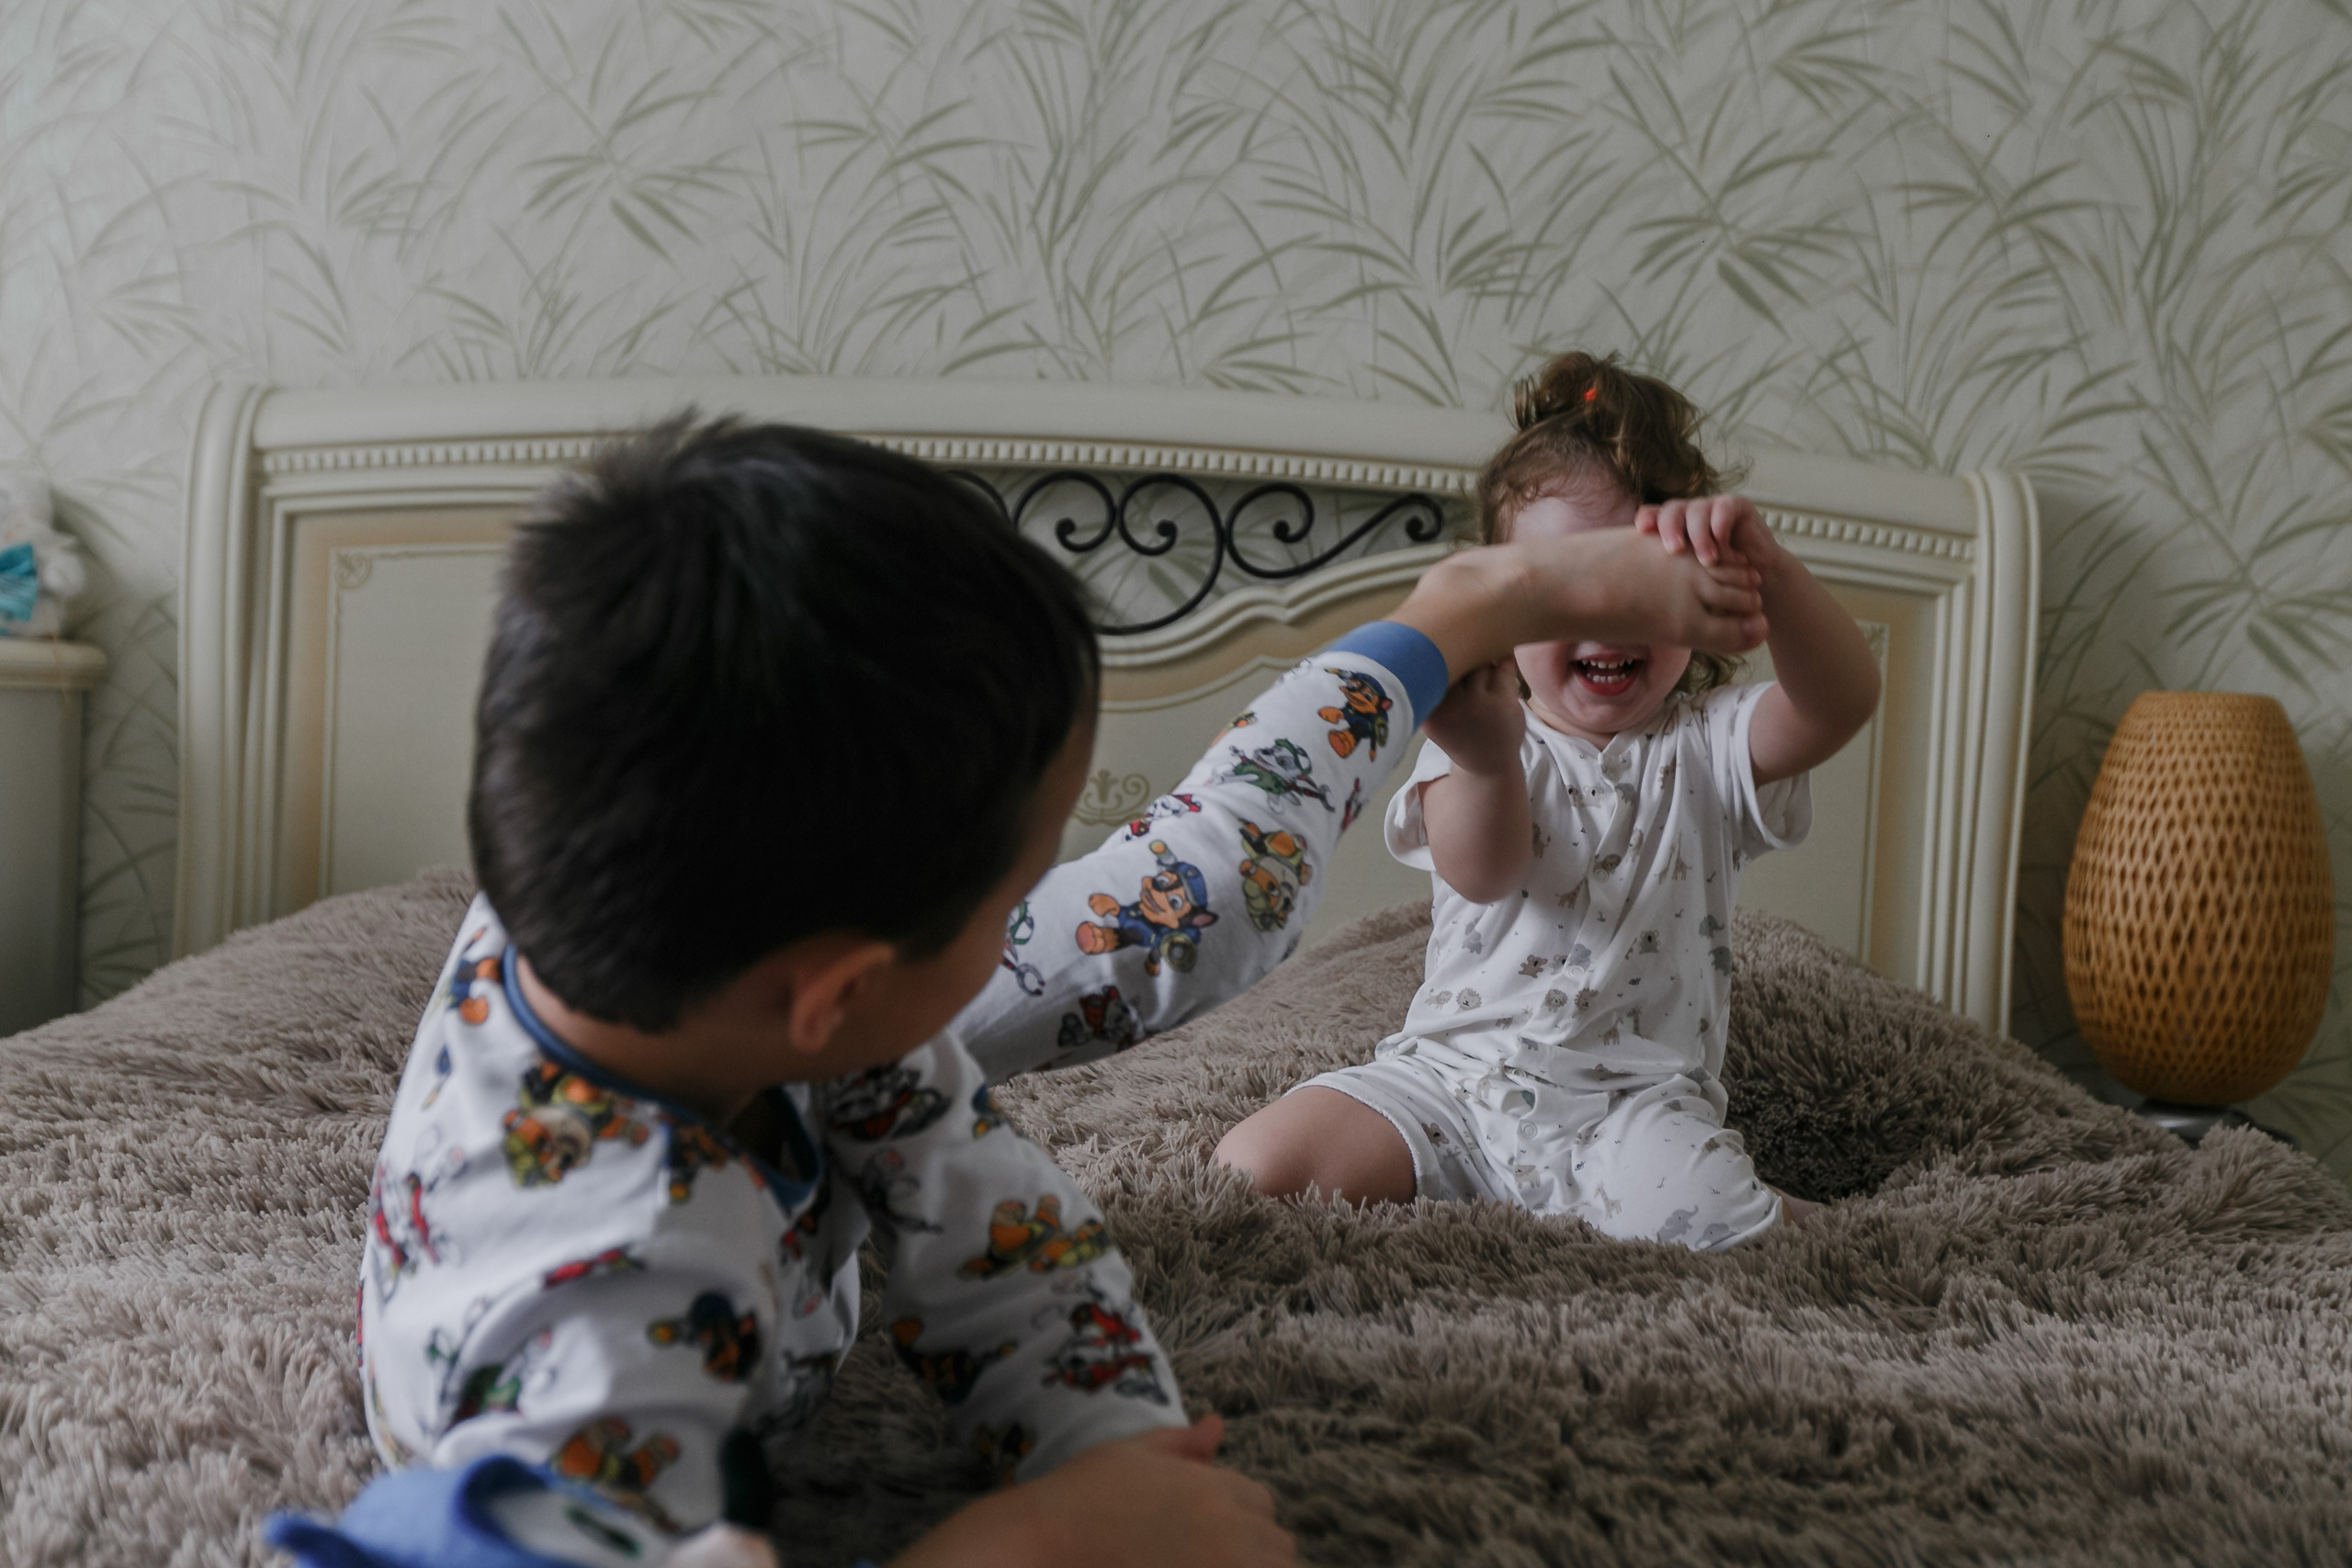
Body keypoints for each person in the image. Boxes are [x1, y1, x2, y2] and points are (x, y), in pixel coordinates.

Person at [268, 412, 1768, 1568]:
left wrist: (1112, 1446)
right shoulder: (594, 1340)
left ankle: (1447, 614)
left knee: (1173, 911)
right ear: (842, 990)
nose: (1025, 916)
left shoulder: (676, 891)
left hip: (793, 1032)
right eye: (1009, 895)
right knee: (1154, 924)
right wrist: (1041, 1537)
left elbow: (1000, 1212)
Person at [1216, 352, 1881, 1251]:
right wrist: (1488, 761)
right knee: (1255, 1167)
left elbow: (1840, 702)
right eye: (1568, 590)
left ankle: (1779, 1211)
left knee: (1715, 1218)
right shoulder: (1481, 732)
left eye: (1636, 587)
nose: (1605, 621)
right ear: (1504, 604)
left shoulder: (1712, 743)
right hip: (1451, 1085)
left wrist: (1771, 569)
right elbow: (1481, 872)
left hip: (1630, 1108)